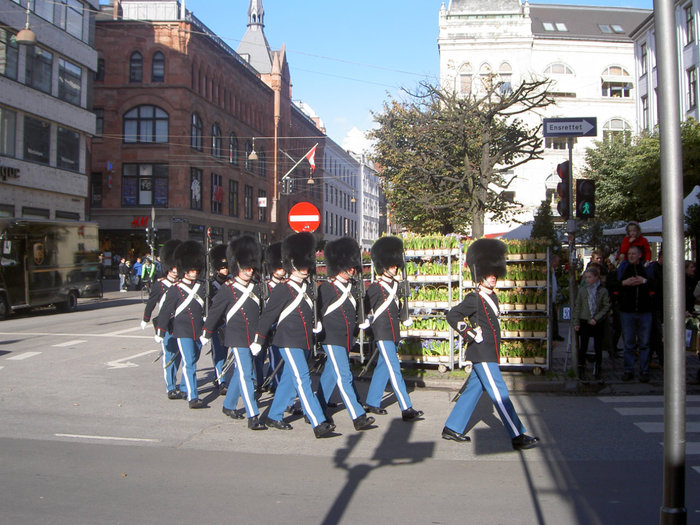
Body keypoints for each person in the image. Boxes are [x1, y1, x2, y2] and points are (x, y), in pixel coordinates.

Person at [442, 238, 539, 450]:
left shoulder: (492, 297)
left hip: (488, 352)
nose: (493, 277)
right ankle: (517, 433)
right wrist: (468, 333)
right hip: (481, 351)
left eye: (495, 273)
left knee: (473, 391)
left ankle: (452, 427)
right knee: (500, 393)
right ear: (480, 275)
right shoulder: (474, 298)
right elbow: (452, 315)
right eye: (489, 274)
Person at [250, 232, 337, 438]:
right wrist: (258, 339)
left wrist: (316, 323)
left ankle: (274, 415)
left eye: (308, 264)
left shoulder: (308, 287)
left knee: (290, 379)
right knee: (303, 380)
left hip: (304, 340)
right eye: (303, 265)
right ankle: (318, 422)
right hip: (288, 340)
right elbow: (267, 317)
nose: (307, 269)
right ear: (293, 264)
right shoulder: (283, 289)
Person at [201, 236, 267, 431]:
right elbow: (214, 312)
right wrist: (206, 332)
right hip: (237, 336)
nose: (250, 270)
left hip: (253, 336)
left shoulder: (257, 287)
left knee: (241, 372)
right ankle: (253, 414)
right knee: (247, 374)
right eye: (246, 267)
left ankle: (229, 405)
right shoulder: (228, 289)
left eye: (251, 267)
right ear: (237, 266)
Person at [315, 237, 375, 431]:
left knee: (331, 375)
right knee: (344, 375)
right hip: (331, 337)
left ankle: (316, 409)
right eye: (349, 267)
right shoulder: (327, 288)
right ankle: (357, 416)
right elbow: (316, 312)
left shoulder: (353, 288)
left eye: (353, 267)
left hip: (346, 337)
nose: (353, 270)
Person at [363, 236, 423, 421]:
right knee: (394, 368)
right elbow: (364, 308)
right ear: (383, 266)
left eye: (396, 265)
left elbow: (400, 309)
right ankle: (406, 407)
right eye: (391, 265)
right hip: (381, 332)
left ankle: (372, 402)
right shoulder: (375, 288)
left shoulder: (397, 286)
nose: (395, 268)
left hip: (393, 331)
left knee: (383, 366)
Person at [155, 240, 207, 408]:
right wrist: (160, 331)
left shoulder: (202, 287)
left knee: (193, 358)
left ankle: (185, 387)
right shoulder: (175, 289)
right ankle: (193, 397)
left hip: (198, 330)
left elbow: (209, 307)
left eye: (196, 269)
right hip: (182, 329)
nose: (194, 272)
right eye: (192, 269)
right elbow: (164, 312)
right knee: (189, 362)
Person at [141, 240, 184, 399]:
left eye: (176, 268)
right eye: (171, 268)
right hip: (165, 324)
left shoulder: (183, 284)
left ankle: (175, 381)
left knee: (178, 355)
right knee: (168, 354)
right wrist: (145, 318)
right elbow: (152, 302)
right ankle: (170, 386)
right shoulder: (160, 285)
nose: (174, 271)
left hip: (180, 323)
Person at [617, 245, 655, 382]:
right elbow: (614, 284)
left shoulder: (647, 268)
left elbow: (656, 284)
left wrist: (644, 281)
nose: (631, 256)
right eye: (629, 253)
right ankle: (629, 369)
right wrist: (624, 283)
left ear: (639, 255)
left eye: (633, 254)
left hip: (644, 310)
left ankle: (644, 371)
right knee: (629, 342)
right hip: (627, 310)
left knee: (644, 343)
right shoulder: (623, 268)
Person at [573, 266, 610, 381]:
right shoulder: (583, 290)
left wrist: (597, 318)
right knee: (583, 345)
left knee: (598, 346)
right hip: (585, 320)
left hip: (597, 321)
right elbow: (577, 306)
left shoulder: (602, 290)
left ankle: (598, 367)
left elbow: (606, 306)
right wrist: (576, 321)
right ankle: (581, 367)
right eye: (586, 277)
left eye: (589, 277)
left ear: (595, 277)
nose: (587, 279)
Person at [205, 243, 231, 395]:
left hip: (228, 323)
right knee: (218, 353)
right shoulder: (211, 285)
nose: (225, 270)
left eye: (226, 267)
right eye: (222, 268)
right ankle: (221, 380)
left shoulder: (230, 283)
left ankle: (219, 376)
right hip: (217, 323)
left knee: (225, 353)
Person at [647, 250, 664, 368]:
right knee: (656, 333)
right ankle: (661, 359)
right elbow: (654, 285)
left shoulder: (663, 269)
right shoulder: (653, 269)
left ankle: (651, 358)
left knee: (655, 334)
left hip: (659, 305)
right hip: (654, 305)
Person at [549, 254, 564, 341]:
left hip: (553, 298)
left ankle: (555, 334)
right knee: (553, 317)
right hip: (550, 299)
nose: (558, 264)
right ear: (553, 261)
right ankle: (554, 334)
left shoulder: (552, 270)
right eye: (557, 261)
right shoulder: (550, 270)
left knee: (554, 317)